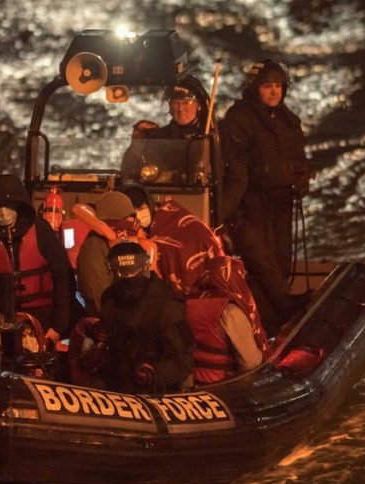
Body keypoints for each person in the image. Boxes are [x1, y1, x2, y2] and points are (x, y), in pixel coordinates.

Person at [219, 59, 315, 334]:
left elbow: (298, 157)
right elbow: (235, 169)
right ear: (255, 89)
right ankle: (276, 313)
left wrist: (302, 177)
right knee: (261, 262)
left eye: (277, 86)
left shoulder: (287, 120)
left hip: (281, 202)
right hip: (251, 203)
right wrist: (226, 214)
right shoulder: (240, 119)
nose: (273, 92)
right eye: (266, 87)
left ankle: (278, 317)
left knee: (282, 260)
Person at [0, 173, 72, 345]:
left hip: (41, 322)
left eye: (8, 205)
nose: (3, 211)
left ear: (20, 206)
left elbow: (64, 278)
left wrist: (56, 328)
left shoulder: (41, 231)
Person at [98, 241, 195, 393]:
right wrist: (95, 345)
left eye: (133, 273)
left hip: (154, 394)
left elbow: (182, 360)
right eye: (123, 274)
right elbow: (109, 342)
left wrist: (153, 373)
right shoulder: (109, 298)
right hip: (114, 388)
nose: (129, 279)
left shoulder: (166, 304)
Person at [119, 183, 224, 295]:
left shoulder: (171, 217)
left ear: (150, 204)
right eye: (134, 211)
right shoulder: (143, 235)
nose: (139, 214)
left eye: (141, 208)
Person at [186, 256, 267, 384]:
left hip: (192, 388)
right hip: (223, 388)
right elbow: (250, 363)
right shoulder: (230, 312)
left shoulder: (188, 304)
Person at [74, 191, 141, 315]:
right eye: (126, 218)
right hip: (106, 324)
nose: (132, 222)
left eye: (132, 217)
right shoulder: (94, 246)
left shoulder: (127, 244)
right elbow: (99, 296)